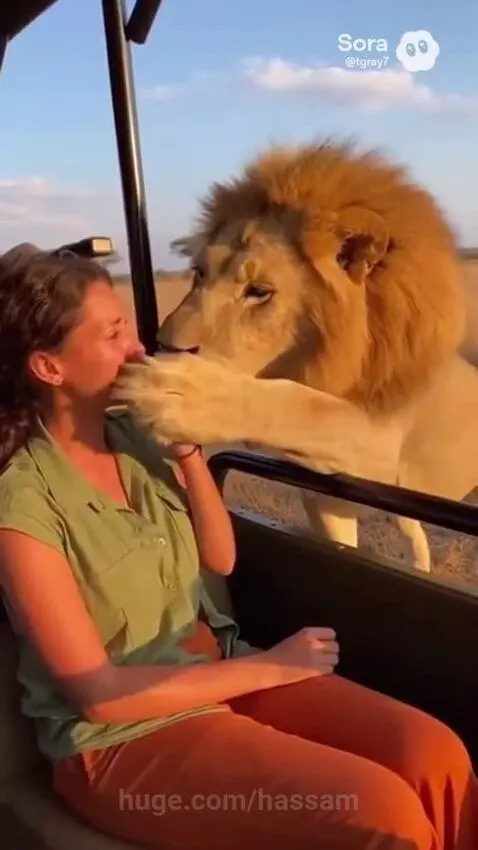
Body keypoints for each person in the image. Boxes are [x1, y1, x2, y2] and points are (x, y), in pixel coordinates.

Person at [0, 245, 475, 850]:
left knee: (436, 755)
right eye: (114, 332)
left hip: (215, 670)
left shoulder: (134, 437)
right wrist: (273, 665)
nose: (139, 348)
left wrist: (189, 452)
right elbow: (99, 698)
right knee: (383, 812)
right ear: (48, 367)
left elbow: (219, 558)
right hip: (120, 742)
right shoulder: (23, 504)